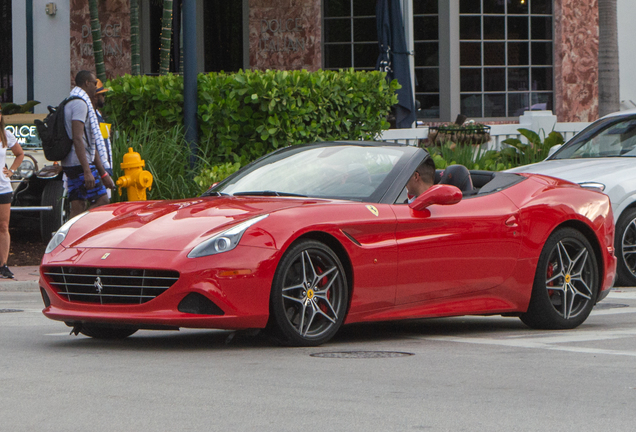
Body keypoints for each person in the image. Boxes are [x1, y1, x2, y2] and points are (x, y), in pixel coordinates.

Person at [62, 70, 115, 218]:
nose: (95, 87)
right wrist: (87, 171)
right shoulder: (80, 104)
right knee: (102, 200)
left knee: (78, 205)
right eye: (93, 83)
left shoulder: (72, 100)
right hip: (80, 164)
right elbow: (78, 138)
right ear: (86, 83)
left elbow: (89, 143)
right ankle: (75, 227)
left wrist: (103, 173)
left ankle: (72, 237)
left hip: (70, 163)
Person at [0, 105, 25, 278]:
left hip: (3, 187)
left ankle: (3, 264)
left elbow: (19, 154)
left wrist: (12, 171)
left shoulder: (6, 135)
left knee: (3, 225)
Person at [92, 79, 113, 197]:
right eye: (102, 95)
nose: (104, 98)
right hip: (98, 170)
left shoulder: (98, 116)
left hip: (104, 168)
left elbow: (105, 142)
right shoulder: (91, 117)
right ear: (95, 97)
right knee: (102, 202)